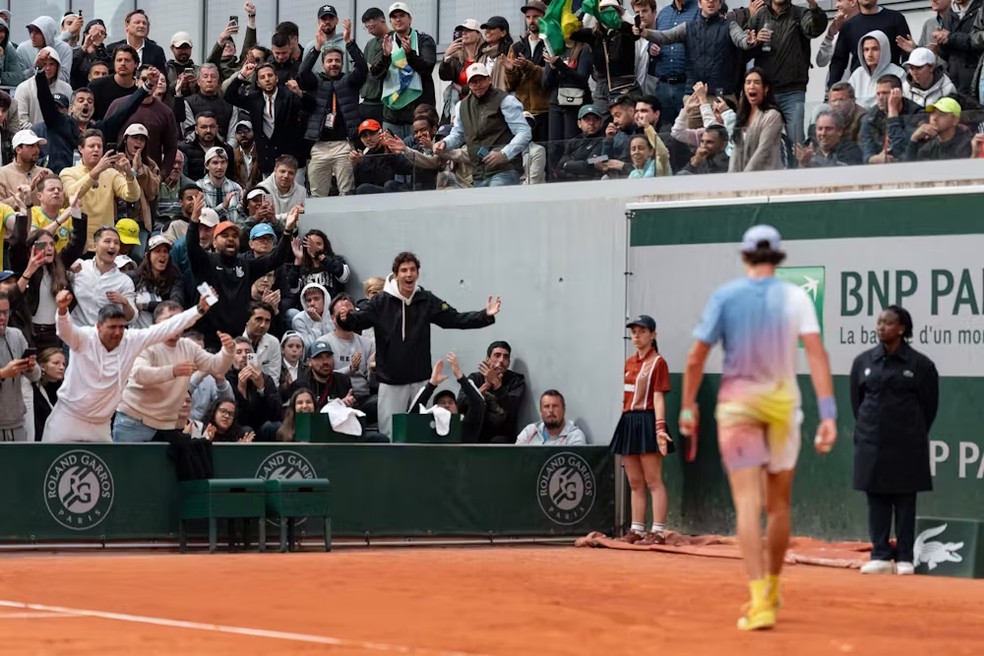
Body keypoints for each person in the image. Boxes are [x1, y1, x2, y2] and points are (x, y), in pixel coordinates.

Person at [679, 224, 837, 631]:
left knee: (747, 505)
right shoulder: (795, 296)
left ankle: (759, 601)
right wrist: (829, 414)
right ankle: (773, 584)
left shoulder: (725, 296)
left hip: (738, 410)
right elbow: (817, 356)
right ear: (778, 258)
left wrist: (687, 406)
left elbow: (695, 359)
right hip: (784, 410)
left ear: (746, 257)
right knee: (779, 505)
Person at [335, 251, 500, 437]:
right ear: (396, 275)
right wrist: (344, 319)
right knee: (391, 435)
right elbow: (357, 321)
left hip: (421, 380)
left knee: (422, 433)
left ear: (418, 273)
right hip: (391, 382)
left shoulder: (426, 300)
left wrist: (484, 315)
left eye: (412, 270)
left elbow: (454, 319)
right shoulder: (381, 302)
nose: (408, 274)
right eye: (404, 270)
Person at [44, 288, 213, 443]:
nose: (117, 332)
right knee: (48, 465)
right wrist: (62, 310)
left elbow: (167, 327)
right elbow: (65, 331)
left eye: (121, 327)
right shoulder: (83, 338)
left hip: (101, 423)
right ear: (98, 326)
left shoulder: (131, 340)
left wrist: (198, 309)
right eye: (112, 327)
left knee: (106, 473)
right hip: (69, 416)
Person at [850, 305, 938, 576]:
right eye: (878, 322)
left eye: (887, 323)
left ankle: (904, 558)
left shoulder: (920, 365)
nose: (880, 327)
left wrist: (909, 431)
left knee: (904, 500)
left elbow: (929, 407)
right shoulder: (863, 362)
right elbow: (857, 402)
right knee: (876, 497)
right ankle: (879, 554)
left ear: (901, 329)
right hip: (871, 443)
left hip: (907, 445)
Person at [114, 302, 236, 442]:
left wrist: (228, 351)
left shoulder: (188, 346)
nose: (177, 324)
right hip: (134, 420)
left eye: (180, 319)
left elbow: (216, 367)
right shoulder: (145, 343)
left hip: (168, 425)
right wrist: (172, 371)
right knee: (127, 465)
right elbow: (139, 375)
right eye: (171, 319)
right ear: (156, 323)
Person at [609, 315, 672, 544]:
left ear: (653, 335)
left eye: (642, 331)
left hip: (648, 420)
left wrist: (660, 429)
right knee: (635, 481)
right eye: (634, 331)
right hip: (628, 421)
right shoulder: (629, 362)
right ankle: (637, 529)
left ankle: (658, 531)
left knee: (653, 480)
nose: (637, 335)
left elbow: (658, 398)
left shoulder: (658, 362)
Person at [434, 62, 531, 187]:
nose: (478, 85)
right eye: (473, 82)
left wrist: (505, 154)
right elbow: (458, 135)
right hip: (478, 173)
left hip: (505, 170)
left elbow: (524, 132)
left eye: (481, 80)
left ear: (489, 79)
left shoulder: (506, 100)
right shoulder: (461, 107)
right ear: (468, 85)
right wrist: (444, 143)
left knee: (495, 205)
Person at [408, 354, 485, 442]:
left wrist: (461, 377)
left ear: (457, 408)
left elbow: (479, 404)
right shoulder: (427, 428)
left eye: (451, 402)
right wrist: (431, 384)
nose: (447, 405)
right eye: (442, 403)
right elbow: (412, 416)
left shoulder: (466, 427)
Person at [0, 290, 40, 442]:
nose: (2, 318)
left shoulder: (16, 335)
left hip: (17, 424)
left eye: (5, 312)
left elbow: (36, 376)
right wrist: (3, 373)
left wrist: (30, 367)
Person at [730, 68, 785, 172]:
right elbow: (736, 149)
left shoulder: (773, 115)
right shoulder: (742, 116)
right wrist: (731, 178)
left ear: (766, 88)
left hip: (765, 177)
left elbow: (763, 150)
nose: (752, 86)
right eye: (748, 82)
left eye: (757, 82)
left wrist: (745, 177)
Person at [847, 31, 905, 108]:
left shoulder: (898, 73)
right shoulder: (857, 74)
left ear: (884, 50)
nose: (869, 54)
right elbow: (848, 99)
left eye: (875, 49)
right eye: (866, 49)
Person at [516, 390, 587, 446]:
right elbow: (515, 459)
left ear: (563, 410)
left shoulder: (575, 436)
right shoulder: (530, 431)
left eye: (555, 406)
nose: (551, 410)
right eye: (546, 406)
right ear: (541, 411)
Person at [32, 346, 64, 441]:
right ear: (42, 366)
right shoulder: (33, 391)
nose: (61, 367)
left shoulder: (67, 390)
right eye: (56, 363)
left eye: (63, 364)